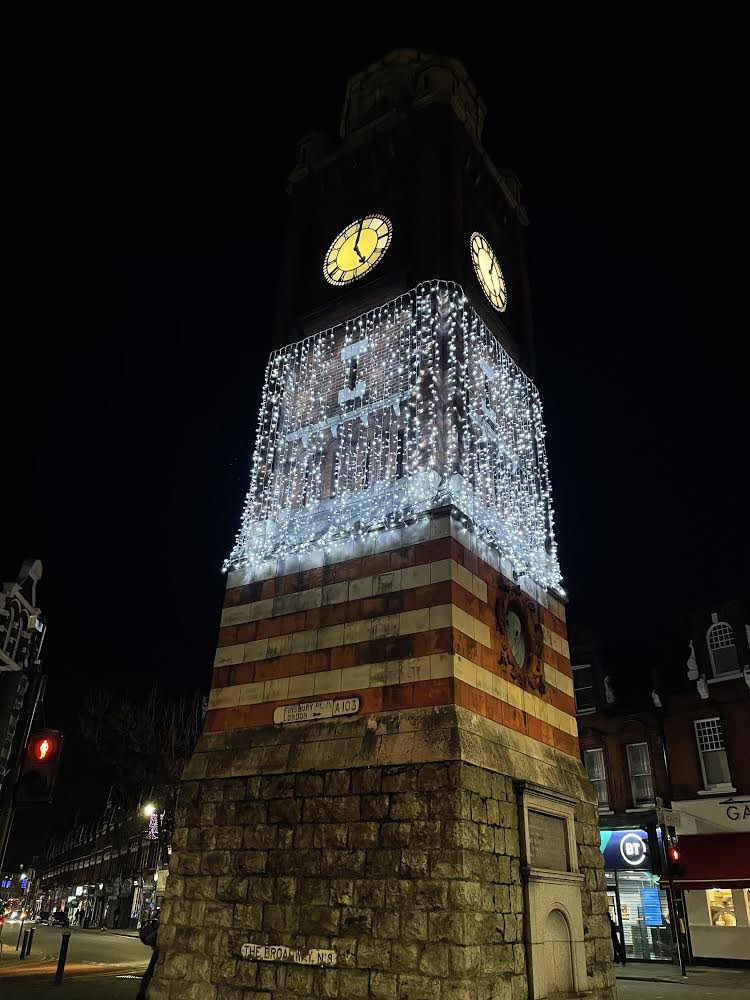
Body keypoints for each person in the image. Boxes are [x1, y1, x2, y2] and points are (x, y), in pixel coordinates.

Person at [136, 909, 159, 1000]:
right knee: (150, 971)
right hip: (159, 949)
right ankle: (142, 993)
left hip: (158, 949)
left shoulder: (159, 912)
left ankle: (141, 993)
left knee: (150, 971)